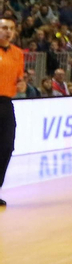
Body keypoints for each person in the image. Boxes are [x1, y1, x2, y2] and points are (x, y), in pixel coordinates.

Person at [0, 17, 25, 208]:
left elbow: (19, 77)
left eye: (11, 28)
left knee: (7, 146)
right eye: (4, 28)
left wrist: (21, 83)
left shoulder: (17, 53)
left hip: (6, 103)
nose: (7, 31)